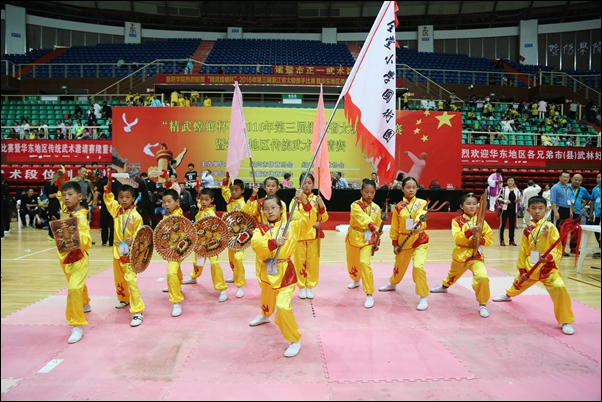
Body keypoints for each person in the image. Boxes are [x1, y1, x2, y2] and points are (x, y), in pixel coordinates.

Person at [493, 196, 575, 336]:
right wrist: (522, 269)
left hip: (548, 268)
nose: (537, 211)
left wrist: (548, 257)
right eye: (534, 208)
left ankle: (566, 320)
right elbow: (523, 251)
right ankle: (508, 295)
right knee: (518, 284)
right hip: (531, 267)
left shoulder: (550, 227)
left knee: (559, 287)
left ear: (546, 210)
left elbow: (557, 248)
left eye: (540, 208)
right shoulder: (527, 230)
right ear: (528, 210)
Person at [248, 191, 316, 358]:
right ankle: (265, 315)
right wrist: (273, 242)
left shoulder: (291, 226)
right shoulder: (260, 229)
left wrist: (303, 199)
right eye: (266, 209)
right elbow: (256, 244)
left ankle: (294, 339)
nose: (269, 211)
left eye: (273, 208)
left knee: (283, 306)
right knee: (266, 298)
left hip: (285, 272)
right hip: (268, 269)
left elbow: (309, 219)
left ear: (281, 209)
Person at [430, 193, 494, 318]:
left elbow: (489, 239)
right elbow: (458, 238)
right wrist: (469, 231)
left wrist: (480, 240)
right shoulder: (457, 221)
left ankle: (482, 304)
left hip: (475, 256)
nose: (472, 206)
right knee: (452, 275)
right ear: (461, 206)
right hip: (460, 254)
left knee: (482, 277)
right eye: (468, 204)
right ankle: (444, 286)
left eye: (474, 204)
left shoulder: (482, 222)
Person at [379, 177, 430, 311]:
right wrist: (395, 243)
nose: (411, 190)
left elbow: (422, 215)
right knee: (399, 266)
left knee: (418, 266)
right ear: (402, 189)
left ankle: (423, 296)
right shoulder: (399, 206)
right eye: (408, 187)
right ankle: (393, 283)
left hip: (419, 239)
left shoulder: (422, 203)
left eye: (414, 187)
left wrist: (418, 224)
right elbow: (395, 226)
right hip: (404, 240)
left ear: (417, 188)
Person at [55, 179, 92, 344]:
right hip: (64, 257)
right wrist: (61, 179)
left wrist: (74, 234)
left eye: (70, 195)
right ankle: (85, 303)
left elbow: (87, 241)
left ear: (80, 196)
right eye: (64, 195)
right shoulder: (65, 210)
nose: (66, 198)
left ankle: (77, 325)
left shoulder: (80, 217)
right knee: (76, 284)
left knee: (74, 288)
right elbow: (59, 196)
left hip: (79, 258)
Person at [103, 179, 145, 327]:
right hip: (117, 250)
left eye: (127, 197)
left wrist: (134, 240)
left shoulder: (136, 216)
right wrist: (108, 185)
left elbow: (142, 237)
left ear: (133, 198)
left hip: (130, 253)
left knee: (131, 280)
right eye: (121, 197)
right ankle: (123, 298)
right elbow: (108, 199)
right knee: (119, 277)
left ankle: (138, 311)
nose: (124, 200)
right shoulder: (116, 210)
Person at [181, 188, 229, 301]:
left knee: (214, 264)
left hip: (211, 245)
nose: (203, 202)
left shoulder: (211, 214)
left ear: (212, 200)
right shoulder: (200, 208)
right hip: (200, 243)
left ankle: (222, 289)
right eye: (201, 199)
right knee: (197, 262)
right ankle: (194, 277)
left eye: (206, 200)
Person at [345, 179, 383, 309]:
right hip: (354, 236)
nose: (369, 195)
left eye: (372, 192)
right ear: (361, 191)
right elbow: (362, 217)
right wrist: (373, 226)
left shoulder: (376, 208)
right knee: (353, 263)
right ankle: (356, 279)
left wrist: (377, 241)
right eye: (367, 192)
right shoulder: (355, 205)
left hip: (368, 237)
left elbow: (378, 226)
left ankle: (369, 294)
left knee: (364, 263)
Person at [291, 174, 328, 299]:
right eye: (304, 183)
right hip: (300, 236)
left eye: (309, 183)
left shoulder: (317, 199)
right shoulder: (295, 200)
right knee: (299, 261)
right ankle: (301, 287)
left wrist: (321, 205)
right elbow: (295, 217)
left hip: (313, 237)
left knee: (312, 262)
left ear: (313, 184)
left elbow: (324, 218)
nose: (306, 185)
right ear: (299, 184)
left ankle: (310, 286)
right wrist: (312, 223)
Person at [247, 176, 288, 288]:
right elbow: (248, 211)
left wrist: (282, 236)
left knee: (276, 260)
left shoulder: (282, 204)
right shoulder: (259, 202)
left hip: (276, 236)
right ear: (264, 188)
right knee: (261, 262)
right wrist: (253, 195)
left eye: (273, 186)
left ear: (277, 188)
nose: (270, 188)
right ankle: (264, 287)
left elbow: (284, 222)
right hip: (263, 235)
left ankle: (276, 286)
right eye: (268, 186)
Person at [221, 172, 248, 296]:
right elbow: (224, 190)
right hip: (230, 235)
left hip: (241, 237)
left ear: (242, 191)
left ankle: (240, 283)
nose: (233, 192)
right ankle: (235, 274)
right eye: (232, 189)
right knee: (231, 259)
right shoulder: (230, 199)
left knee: (238, 258)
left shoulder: (244, 205)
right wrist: (227, 177)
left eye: (236, 189)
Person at [160, 189, 186, 317]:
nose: (166, 204)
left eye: (169, 201)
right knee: (175, 269)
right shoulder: (166, 215)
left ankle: (176, 301)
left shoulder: (178, 216)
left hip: (179, 250)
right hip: (170, 249)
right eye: (164, 202)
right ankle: (177, 284)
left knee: (171, 272)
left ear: (177, 202)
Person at [550, 171, 572, 256]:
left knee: (565, 231)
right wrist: (556, 212)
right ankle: (555, 249)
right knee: (557, 230)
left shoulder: (568, 187)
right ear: (559, 177)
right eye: (564, 177)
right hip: (559, 210)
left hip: (567, 210)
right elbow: (553, 201)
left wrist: (570, 211)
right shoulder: (555, 187)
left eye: (567, 177)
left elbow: (569, 200)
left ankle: (562, 249)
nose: (566, 178)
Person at [567, 173, 591, 254]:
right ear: (571, 179)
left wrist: (583, 205)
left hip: (577, 213)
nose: (577, 182)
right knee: (563, 230)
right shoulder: (566, 187)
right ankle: (561, 249)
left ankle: (574, 249)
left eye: (579, 180)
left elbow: (588, 198)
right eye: (576, 180)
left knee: (575, 232)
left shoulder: (582, 189)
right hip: (566, 211)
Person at [96, 171, 121, 247]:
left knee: (104, 224)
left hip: (105, 207)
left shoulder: (104, 182)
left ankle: (104, 241)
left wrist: (94, 202)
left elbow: (97, 192)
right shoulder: (119, 184)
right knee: (113, 225)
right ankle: (111, 242)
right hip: (114, 207)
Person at [498, 176, 521, 246]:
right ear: (507, 182)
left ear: (514, 182)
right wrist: (505, 201)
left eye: (512, 180)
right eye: (509, 180)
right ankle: (501, 240)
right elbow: (499, 198)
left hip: (513, 209)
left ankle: (512, 240)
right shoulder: (503, 189)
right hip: (505, 209)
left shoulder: (516, 190)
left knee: (512, 225)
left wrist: (518, 200)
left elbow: (519, 198)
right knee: (503, 225)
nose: (510, 182)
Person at [44, 175, 61, 242]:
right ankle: (50, 235)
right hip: (53, 204)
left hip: (58, 204)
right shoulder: (50, 184)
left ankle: (56, 235)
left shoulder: (57, 184)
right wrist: (59, 193)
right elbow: (50, 195)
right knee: (52, 219)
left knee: (57, 220)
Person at [587, 172, 601, 258]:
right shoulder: (595, 189)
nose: (600, 179)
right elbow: (592, 201)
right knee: (597, 232)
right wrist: (591, 213)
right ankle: (600, 249)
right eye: (598, 177)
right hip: (597, 215)